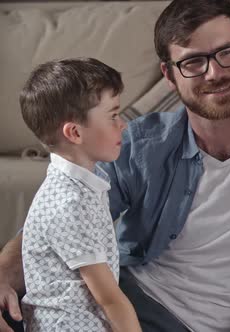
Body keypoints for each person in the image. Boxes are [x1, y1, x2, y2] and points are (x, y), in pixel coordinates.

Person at [0, 1, 230, 332]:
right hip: (148, 311)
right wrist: (2, 274)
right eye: (194, 62)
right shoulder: (136, 145)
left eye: (227, 52)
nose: (215, 73)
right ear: (169, 74)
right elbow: (58, 222)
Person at [18, 58, 140, 331]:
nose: (123, 125)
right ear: (74, 132)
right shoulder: (70, 203)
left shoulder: (86, 183)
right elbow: (109, 298)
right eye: (112, 116)